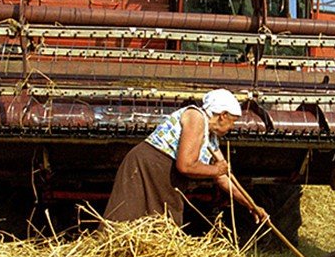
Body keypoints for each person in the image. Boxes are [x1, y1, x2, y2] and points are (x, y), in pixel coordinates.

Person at [104, 88, 268, 227]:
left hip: (162, 172)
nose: (232, 127)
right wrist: (216, 169)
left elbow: (223, 177)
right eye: (232, 121)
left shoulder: (211, 137)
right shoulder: (196, 118)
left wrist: (251, 205)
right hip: (147, 167)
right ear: (223, 115)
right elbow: (186, 165)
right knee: (127, 219)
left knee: (161, 227)